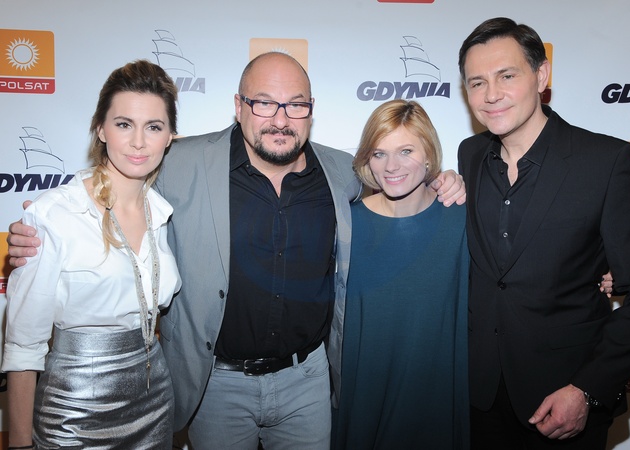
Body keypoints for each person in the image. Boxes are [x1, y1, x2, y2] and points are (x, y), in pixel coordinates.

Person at [6, 52, 466, 449]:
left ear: (311, 110)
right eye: (263, 102)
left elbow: (397, 179)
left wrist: (443, 180)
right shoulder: (182, 162)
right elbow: (127, 168)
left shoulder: (341, 170)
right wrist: (51, 218)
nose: (280, 119)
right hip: (215, 385)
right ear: (238, 106)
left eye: (296, 104)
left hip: (307, 382)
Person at [457, 17, 630, 450]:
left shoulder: (606, 162)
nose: (491, 94)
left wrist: (586, 390)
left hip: (563, 397)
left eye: (506, 76)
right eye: (477, 82)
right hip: (477, 396)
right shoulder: (470, 155)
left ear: (541, 75)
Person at [2, 60, 182, 449]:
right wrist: (19, 444)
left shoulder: (162, 213)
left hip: (154, 400)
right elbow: (23, 348)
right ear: (101, 129)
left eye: (154, 127)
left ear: (170, 136)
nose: (138, 142)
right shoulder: (55, 215)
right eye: (124, 124)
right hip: (74, 410)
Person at [333, 99, 469, 449]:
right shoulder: (345, 224)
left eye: (406, 151)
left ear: (429, 155)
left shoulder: (462, 221)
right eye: (379, 153)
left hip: (436, 402)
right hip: (362, 400)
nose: (391, 166)